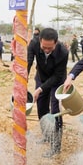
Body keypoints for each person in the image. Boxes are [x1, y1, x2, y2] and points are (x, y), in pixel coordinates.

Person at [27, 27, 69, 158]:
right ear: (40, 41)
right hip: (41, 77)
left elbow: (57, 76)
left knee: (55, 110)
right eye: (44, 47)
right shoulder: (33, 44)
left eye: (49, 48)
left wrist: (40, 89)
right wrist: (23, 82)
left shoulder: (63, 52)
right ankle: (46, 135)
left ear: (56, 43)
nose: (46, 50)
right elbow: (28, 62)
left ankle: (56, 146)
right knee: (41, 107)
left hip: (57, 80)